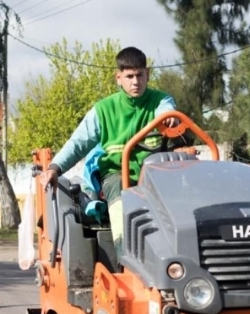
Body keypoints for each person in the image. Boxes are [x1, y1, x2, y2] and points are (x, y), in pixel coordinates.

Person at [37, 46, 175, 244]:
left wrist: (167, 118)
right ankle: (125, 251)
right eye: (129, 76)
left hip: (155, 174)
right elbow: (78, 142)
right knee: (119, 189)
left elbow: (167, 110)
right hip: (117, 174)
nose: (136, 81)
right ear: (118, 78)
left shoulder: (160, 101)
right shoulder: (103, 110)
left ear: (148, 74)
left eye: (140, 75)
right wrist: (54, 168)